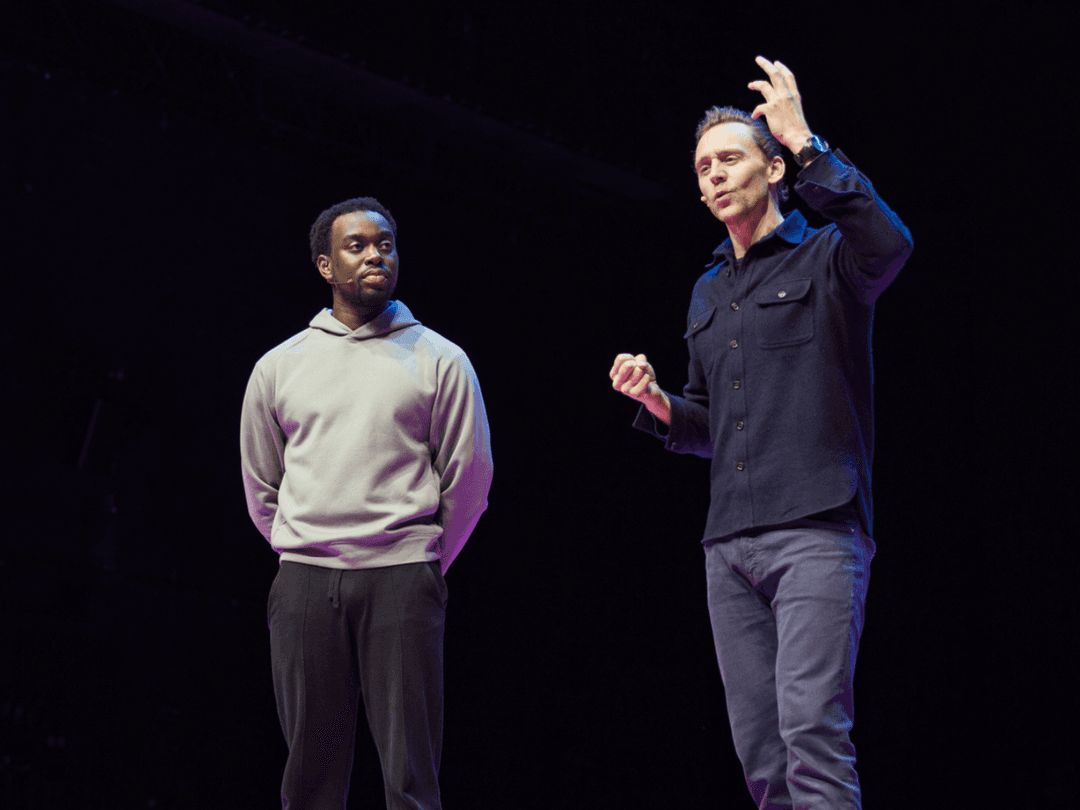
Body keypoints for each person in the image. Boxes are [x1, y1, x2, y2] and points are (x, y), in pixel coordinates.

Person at [609, 57, 912, 809]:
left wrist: (806, 140)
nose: (713, 175)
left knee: (812, 733)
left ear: (774, 170)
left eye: (730, 159)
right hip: (729, 544)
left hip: (816, 527)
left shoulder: (828, 257)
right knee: (762, 753)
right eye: (703, 167)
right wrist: (658, 403)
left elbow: (890, 243)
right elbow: (712, 424)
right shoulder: (708, 289)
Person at [241, 196, 493, 810]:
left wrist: (423, 559)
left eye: (385, 244)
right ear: (326, 266)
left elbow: (470, 477)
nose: (376, 255)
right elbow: (261, 482)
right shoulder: (279, 366)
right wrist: (303, 546)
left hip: (403, 577)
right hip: (306, 580)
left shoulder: (440, 359)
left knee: (410, 774)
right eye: (356, 246)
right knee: (311, 775)